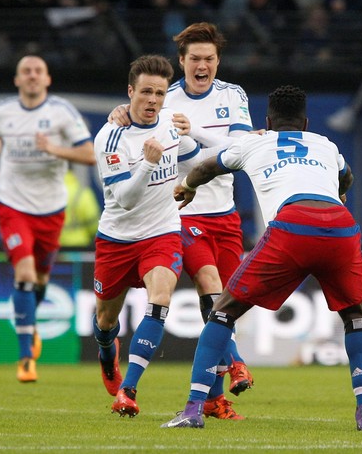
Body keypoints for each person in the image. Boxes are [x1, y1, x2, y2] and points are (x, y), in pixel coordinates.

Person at [161, 85, 362, 431]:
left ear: (267, 120)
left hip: (292, 226)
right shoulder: (325, 145)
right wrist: (336, 192)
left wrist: (188, 186)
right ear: (306, 122)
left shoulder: (255, 142)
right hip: (340, 226)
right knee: (356, 315)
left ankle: (193, 409)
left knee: (223, 310)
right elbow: (348, 176)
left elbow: (208, 166)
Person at [108, 23, 254, 420]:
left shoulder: (232, 95)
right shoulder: (165, 99)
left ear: (217, 61)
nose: (201, 65)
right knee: (210, 283)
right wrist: (122, 113)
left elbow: (240, 148)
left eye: (208, 58)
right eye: (194, 59)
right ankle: (236, 362)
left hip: (225, 213)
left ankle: (212, 399)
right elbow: (142, 127)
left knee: (225, 304)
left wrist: (198, 132)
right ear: (182, 61)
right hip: (182, 213)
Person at [91, 54, 203, 418]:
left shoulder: (170, 123)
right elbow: (124, 199)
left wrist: (194, 134)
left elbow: (194, 151)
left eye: (158, 92)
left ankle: (128, 389)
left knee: (160, 300)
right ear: (130, 92)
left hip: (163, 231)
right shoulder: (111, 136)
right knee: (106, 321)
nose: (153, 99)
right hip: (117, 240)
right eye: (145, 92)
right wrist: (149, 162)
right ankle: (108, 355)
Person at [0, 55, 95, 383]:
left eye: (38, 72)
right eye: (25, 72)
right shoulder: (3, 112)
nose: (32, 77)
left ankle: (29, 324)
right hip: (11, 203)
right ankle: (25, 356)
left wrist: (55, 150)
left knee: (41, 279)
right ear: (17, 80)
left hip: (51, 208)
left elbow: (89, 154)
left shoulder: (61, 112)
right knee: (25, 273)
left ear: (48, 79)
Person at [58, 166, 101, 248]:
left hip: (55, 246)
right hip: (81, 245)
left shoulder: (49, 194)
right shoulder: (83, 192)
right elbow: (93, 223)